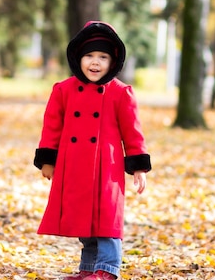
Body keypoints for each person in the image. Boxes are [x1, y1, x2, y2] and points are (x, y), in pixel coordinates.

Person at [33, 21, 152, 280]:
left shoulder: (121, 93)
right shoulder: (63, 90)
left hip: (106, 169)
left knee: (106, 220)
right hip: (73, 165)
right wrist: (47, 160)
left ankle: (107, 269)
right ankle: (87, 269)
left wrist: (138, 166)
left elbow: (133, 132)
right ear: (78, 58)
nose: (95, 62)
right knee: (84, 222)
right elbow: (52, 126)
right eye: (89, 55)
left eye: (102, 57)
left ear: (114, 62)